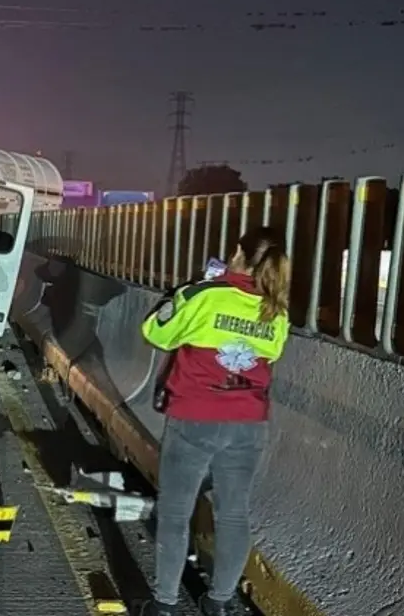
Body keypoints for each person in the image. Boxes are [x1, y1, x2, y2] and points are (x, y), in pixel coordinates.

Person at [137, 226, 292, 616]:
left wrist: (180, 294)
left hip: (195, 417)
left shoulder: (203, 294)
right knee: (234, 512)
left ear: (237, 253)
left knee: (175, 511)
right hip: (248, 423)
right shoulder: (276, 309)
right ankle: (219, 601)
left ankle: (165, 605)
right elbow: (270, 357)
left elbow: (155, 333)